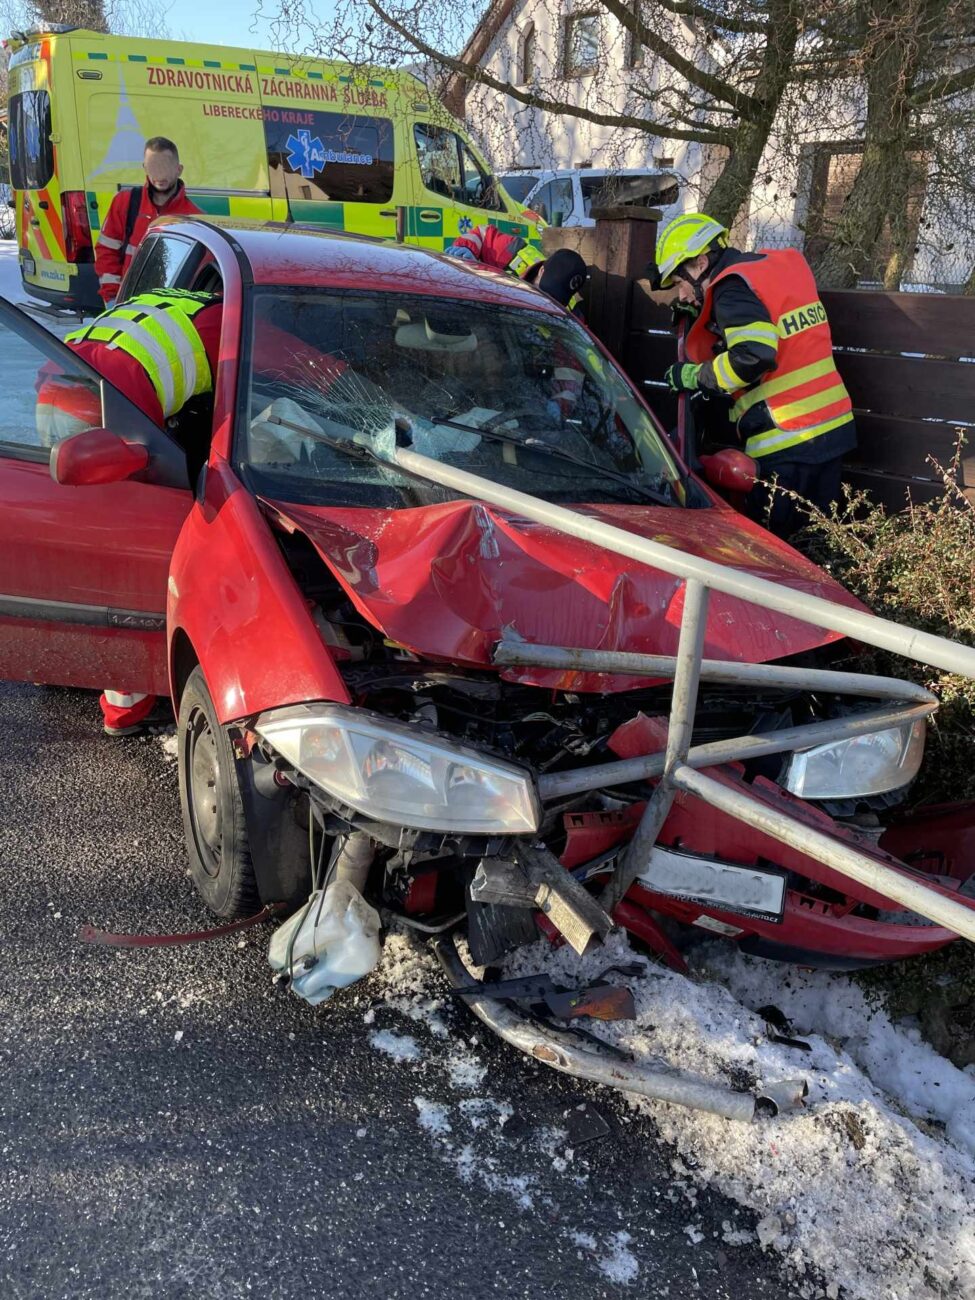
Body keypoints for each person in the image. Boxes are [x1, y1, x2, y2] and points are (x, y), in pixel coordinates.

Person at [653, 212, 857, 538]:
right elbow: (774, 327)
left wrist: (695, 375)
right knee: (819, 543)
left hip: (787, 439)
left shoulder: (731, 289)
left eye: (680, 284)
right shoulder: (777, 267)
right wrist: (706, 314)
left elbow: (753, 356)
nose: (681, 295)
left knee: (777, 549)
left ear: (700, 263)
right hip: (832, 426)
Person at [94, 137, 201, 306]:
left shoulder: (193, 217)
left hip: (169, 309)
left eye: (165, 166)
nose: (159, 174)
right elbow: (106, 252)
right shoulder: (125, 202)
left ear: (179, 170)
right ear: (145, 168)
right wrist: (112, 298)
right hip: (125, 304)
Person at [444, 225, 587, 314]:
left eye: (555, 299)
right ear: (541, 271)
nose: (546, 301)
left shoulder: (569, 311)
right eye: (545, 292)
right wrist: (468, 247)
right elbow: (483, 234)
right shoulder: (516, 254)